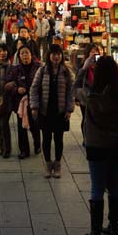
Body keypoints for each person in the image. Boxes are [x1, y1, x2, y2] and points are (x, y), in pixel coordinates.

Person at [76, 56, 118, 235]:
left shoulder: (90, 95)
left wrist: (83, 68)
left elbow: (75, 89)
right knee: (114, 185)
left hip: (97, 145)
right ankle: (113, 227)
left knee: (97, 187)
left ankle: (95, 233)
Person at [30, 45, 74, 178]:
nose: (56, 57)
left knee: (59, 139)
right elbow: (34, 88)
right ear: (49, 56)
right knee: (47, 139)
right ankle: (48, 164)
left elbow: (71, 92)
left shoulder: (67, 72)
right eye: (54, 54)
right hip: (45, 111)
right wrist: (35, 106)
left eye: (58, 54)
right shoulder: (42, 70)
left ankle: (58, 164)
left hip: (60, 112)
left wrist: (69, 109)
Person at [5, 46, 42, 159]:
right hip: (20, 102)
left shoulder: (39, 67)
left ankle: (37, 144)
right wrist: (16, 89)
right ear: (19, 56)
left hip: (34, 101)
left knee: (35, 125)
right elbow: (7, 85)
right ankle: (24, 150)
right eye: (22, 53)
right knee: (21, 127)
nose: (25, 55)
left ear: (31, 54)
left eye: (27, 53)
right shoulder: (15, 69)